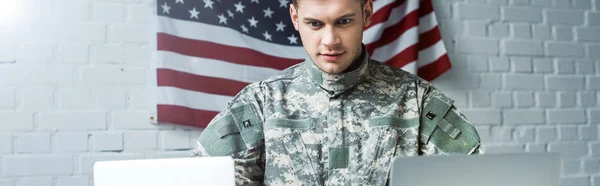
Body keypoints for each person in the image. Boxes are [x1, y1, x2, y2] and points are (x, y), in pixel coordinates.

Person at [190, 0, 483, 185]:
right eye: (315, 24)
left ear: (366, 13)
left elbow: (476, 175)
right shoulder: (261, 103)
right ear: (295, 18)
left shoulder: (415, 100)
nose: (330, 40)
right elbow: (203, 178)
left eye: (344, 21)